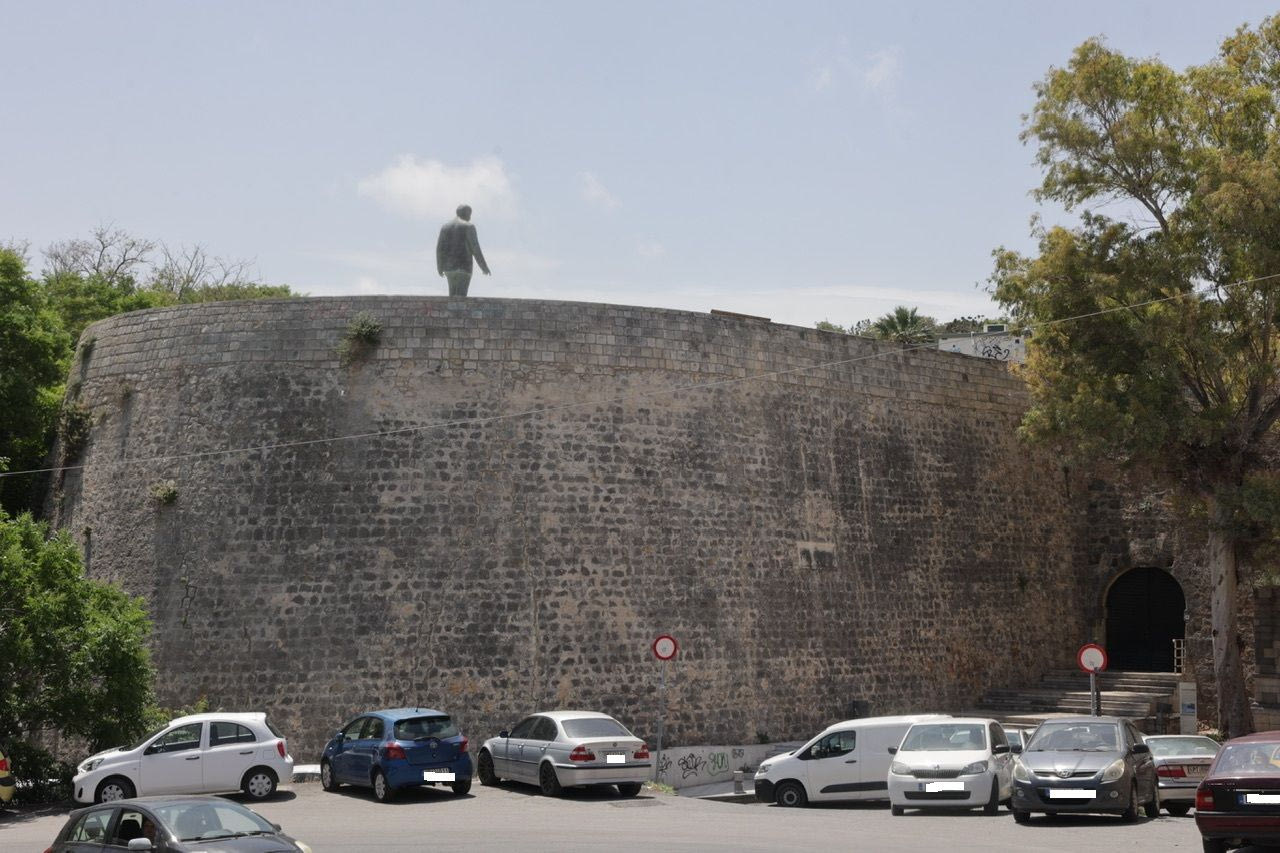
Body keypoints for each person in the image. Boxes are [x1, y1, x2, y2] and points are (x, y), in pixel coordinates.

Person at [436, 204, 490, 296]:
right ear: (466, 213)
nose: (470, 217)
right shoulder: (469, 226)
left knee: (452, 295)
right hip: (464, 267)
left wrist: (440, 267)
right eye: (470, 214)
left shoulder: (445, 227)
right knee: (461, 297)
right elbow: (475, 249)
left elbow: (439, 249)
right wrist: (484, 267)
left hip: (449, 268)